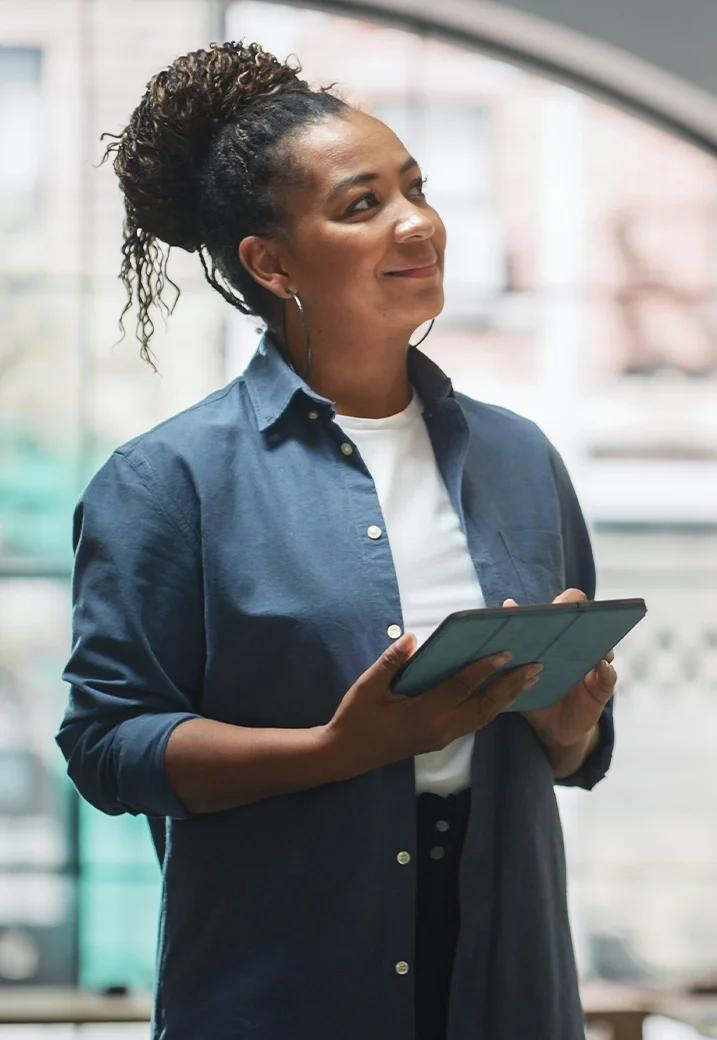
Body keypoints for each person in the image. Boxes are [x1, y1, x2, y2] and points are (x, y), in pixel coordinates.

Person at [56, 42, 617, 1040]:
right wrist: (337, 750)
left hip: (508, 981)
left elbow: (571, 754)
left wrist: (562, 722)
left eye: (415, 187)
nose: (418, 222)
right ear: (270, 263)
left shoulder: (522, 458)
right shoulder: (167, 481)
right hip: (284, 989)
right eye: (363, 205)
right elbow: (109, 745)